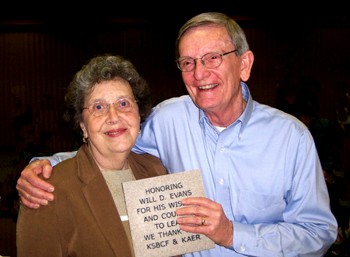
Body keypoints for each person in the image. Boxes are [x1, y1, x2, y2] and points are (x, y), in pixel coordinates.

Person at [16, 12, 338, 256]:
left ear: (244, 64)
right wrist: (46, 164)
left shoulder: (290, 138)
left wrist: (232, 234)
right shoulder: (170, 118)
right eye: (188, 62)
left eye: (213, 58)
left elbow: (318, 233)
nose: (199, 74)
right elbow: (113, 142)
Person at [16, 54, 178, 257]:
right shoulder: (46, 191)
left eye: (123, 103)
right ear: (83, 125)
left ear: (138, 115)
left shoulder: (157, 172)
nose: (113, 116)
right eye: (98, 107)